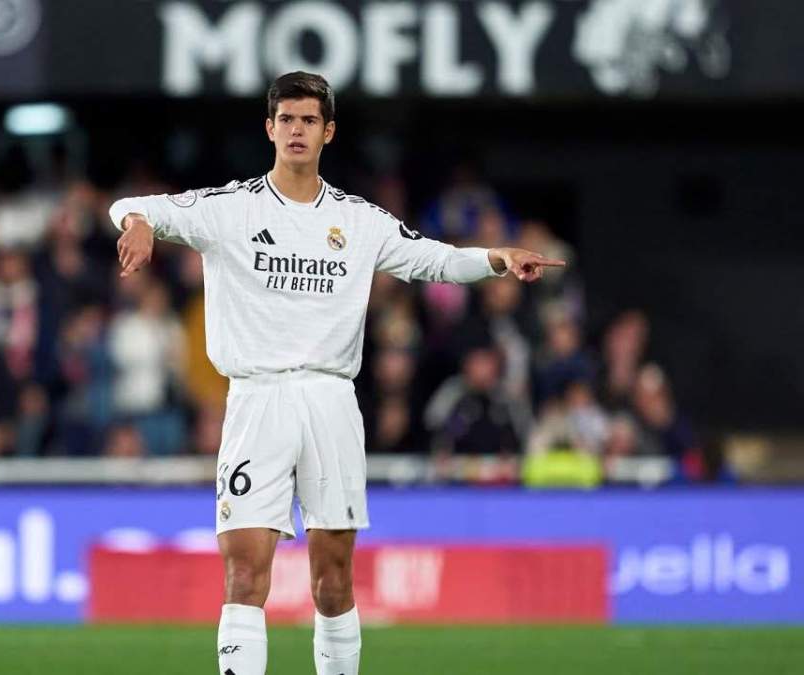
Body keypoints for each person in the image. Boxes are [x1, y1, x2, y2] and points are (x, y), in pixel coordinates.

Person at [109, 71, 564, 675]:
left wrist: (496, 259)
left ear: (329, 131)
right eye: (287, 120)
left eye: (309, 121)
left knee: (333, 578)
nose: (297, 131)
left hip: (330, 400)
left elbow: (432, 259)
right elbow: (127, 205)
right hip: (256, 399)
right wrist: (137, 223)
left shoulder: (358, 220)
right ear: (270, 129)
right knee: (244, 572)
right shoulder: (229, 209)